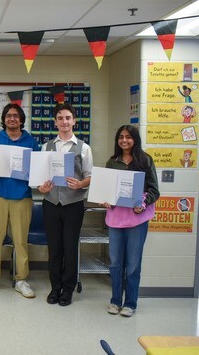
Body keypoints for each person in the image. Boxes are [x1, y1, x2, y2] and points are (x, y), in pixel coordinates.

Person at [0, 103, 40, 298]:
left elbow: (37, 171)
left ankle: (21, 279)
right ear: (4, 119)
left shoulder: (31, 142)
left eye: (15, 116)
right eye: (8, 115)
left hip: (22, 197)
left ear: (21, 120)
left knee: (20, 240)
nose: (12, 118)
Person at [37, 103, 92, 307]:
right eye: (60, 118)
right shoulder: (47, 146)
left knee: (70, 248)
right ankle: (55, 287)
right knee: (55, 248)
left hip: (73, 204)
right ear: (55, 122)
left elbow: (90, 176)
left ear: (74, 121)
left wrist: (81, 183)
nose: (64, 121)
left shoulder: (84, 148)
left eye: (68, 118)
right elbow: (42, 176)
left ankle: (67, 290)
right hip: (51, 202)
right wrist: (41, 187)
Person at [104, 125, 159, 317]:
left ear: (135, 139)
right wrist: (105, 198)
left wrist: (143, 204)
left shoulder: (145, 160)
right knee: (115, 263)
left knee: (134, 264)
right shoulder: (112, 162)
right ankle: (115, 300)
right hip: (115, 219)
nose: (124, 140)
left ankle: (131, 303)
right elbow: (107, 188)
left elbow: (154, 190)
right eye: (121, 137)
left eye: (128, 137)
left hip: (137, 219)